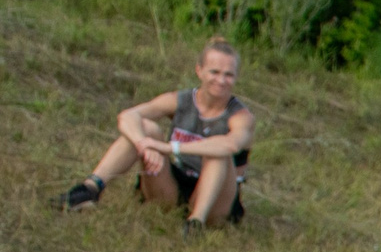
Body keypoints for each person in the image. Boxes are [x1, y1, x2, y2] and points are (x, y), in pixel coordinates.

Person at [59, 37, 255, 228]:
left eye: (228, 75)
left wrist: (168, 147)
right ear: (199, 71)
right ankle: (90, 188)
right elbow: (128, 116)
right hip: (173, 186)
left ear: (236, 77)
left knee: (217, 153)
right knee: (147, 129)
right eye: (214, 72)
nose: (221, 80)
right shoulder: (181, 100)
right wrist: (143, 144)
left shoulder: (240, 116)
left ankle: (195, 223)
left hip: (218, 199)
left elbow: (231, 144)